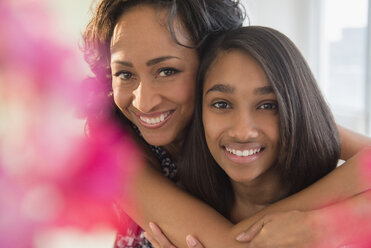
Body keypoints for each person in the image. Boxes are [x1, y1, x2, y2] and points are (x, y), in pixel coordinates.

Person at [82, 1, 371, 247]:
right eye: (124, 73)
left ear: (209, 61)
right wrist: (314, 224)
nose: (144, 102)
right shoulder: (114, 144)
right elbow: (237, 244)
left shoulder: (252, 115)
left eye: (167, 70)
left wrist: (318, 224)